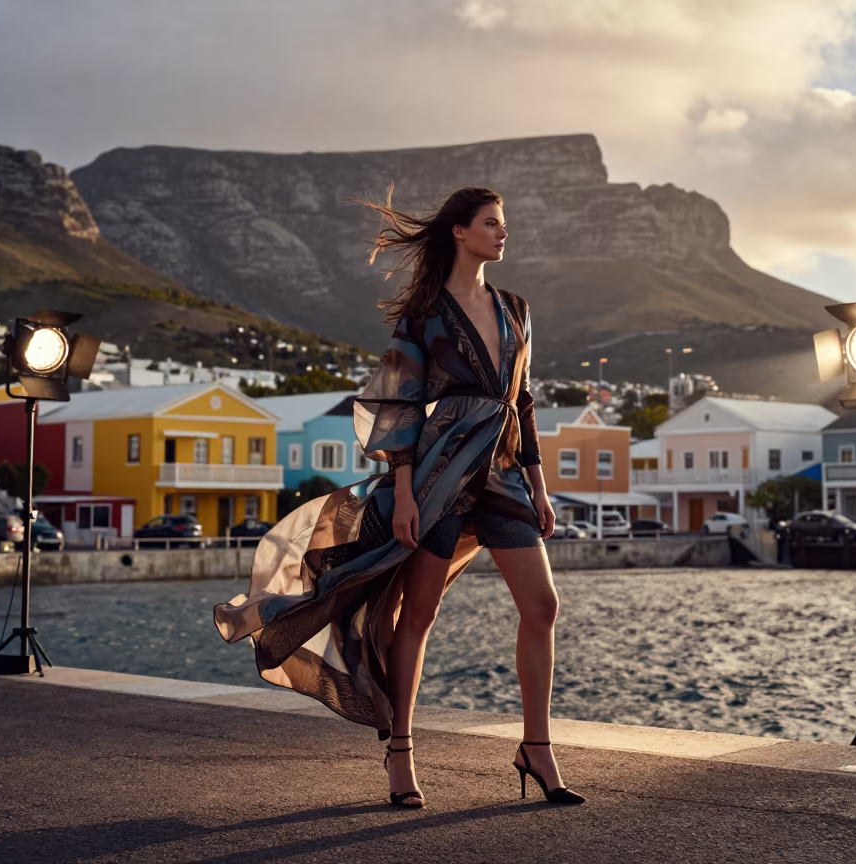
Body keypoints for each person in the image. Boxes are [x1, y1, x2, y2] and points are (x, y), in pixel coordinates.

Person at [213, 185, 584, 809]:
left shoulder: (516, 309)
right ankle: (401, 750)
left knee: (542, 605)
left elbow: (522, 400)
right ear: (460, 232)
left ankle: (536, 748)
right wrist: (406, 495)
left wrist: (539, 485)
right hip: (440, 477)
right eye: (491, 223)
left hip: (502, 474)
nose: (503, 233)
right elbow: (401, 407)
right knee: (418, 615)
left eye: (504, 224)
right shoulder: (424, 314)